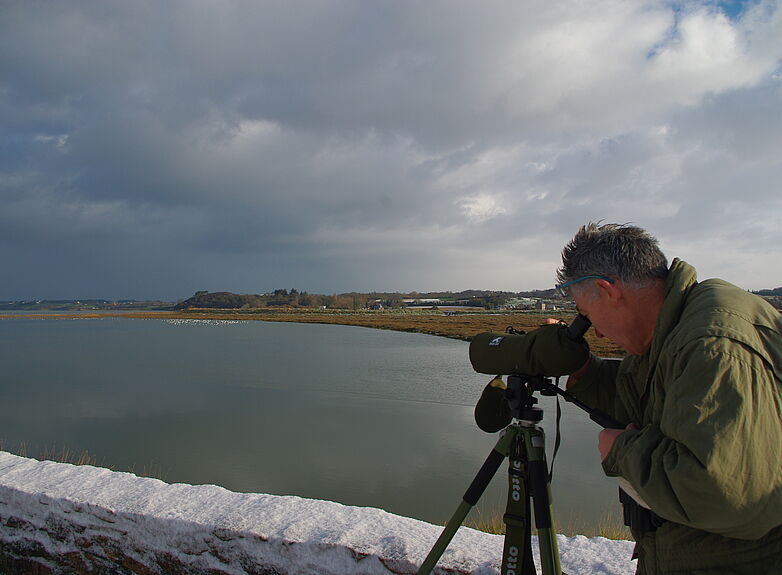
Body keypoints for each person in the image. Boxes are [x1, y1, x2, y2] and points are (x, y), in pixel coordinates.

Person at [555, 222, 782, 574]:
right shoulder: (672, 327)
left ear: (608, 290)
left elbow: (722, 495)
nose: (596, 331)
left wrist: (622, 451)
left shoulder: (711, 343)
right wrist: (586, 373)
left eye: (588, 315)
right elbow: (661, 401)